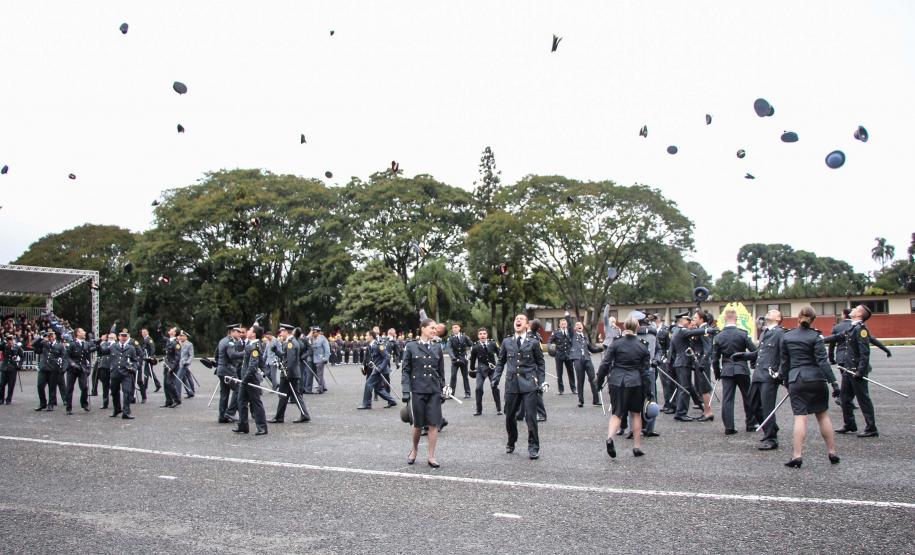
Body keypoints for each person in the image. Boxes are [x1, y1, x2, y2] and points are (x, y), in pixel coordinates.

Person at [778, 306, 840, 468]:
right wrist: (834, 383)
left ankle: (797, 455)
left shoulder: (787, 336)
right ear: (813, 320)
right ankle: (832, 452)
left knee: (800, 418)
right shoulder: (816, 336)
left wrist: (786, 382)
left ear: (798, 318)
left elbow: (784, 363)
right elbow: (822, 362)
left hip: (796, 379)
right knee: (823, 416)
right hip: (817, 379)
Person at [596, 318, 652, 458]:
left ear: (625, 326)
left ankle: (610, 438)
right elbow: (645, 372)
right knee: (636, 414)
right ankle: (637, 447)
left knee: (617, 413)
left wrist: (599, 381)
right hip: (635, 382)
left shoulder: (616, 343)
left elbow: (605, 364)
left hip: (617, 380)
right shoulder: (642, 346)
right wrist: (649, 391)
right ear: (637, 328)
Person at [494, 314, 547, 460]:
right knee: (510, 416)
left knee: (531, 417)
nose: (517, 321)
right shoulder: (506, 342)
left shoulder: (534, 342)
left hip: (529, 384)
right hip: (511, 384)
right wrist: (496, 377)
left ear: (527, 325)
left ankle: (533, 447)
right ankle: (512, 440)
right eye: (516, 319)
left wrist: (541, 380)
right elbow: (500, 362)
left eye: (521, 319)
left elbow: (541, 363)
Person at [734, 310, 785, 450]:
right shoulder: (765, 333)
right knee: (752, 404)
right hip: (758, 374)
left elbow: (784, 355)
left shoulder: (780, 333)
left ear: (778, 318)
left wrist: (780, 373)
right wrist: (744, 356)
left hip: (769, 376)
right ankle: (771, 428)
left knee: (768, 407)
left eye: (772, 312)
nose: (767, 313)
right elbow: (759, 353)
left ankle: (771, 438)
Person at [402, 318, 446, 468]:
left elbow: (441, 372)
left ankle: (431, 456)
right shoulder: (411, 346)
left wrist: (444, 389)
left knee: (434, 424)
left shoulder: (437, 347)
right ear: (423, 328)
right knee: (418, 425)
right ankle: (414, 450)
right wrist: (405, 390)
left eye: (436, 329)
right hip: (418, 389)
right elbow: (406, 370)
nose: (435, 331)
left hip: (434, 390)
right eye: (432, 328)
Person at [831, 305, 879, 437]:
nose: (852, 309)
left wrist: (861, 371)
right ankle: (850, 424)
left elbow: (865, 353)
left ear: (859, 315)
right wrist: (818, 339)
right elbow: (837, 337)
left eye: (856, 308)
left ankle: (871, 427)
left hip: (856, 371)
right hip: (848, 369)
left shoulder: (861, 329)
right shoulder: (852, 327)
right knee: (845, 399)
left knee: (863, 399)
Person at [710, 309, 757, 435]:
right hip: (742, 368)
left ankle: (729, 427)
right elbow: (754, 352)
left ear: (724, 319)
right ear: (736, 319)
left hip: (726, 370)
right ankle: (751, 424)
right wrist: (751, 363)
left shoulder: (718, 336)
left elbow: (714, 359)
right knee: (748, 397)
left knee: (727, 399)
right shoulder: (743, 334)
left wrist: (717, 374)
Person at [680, 311, 718, 421]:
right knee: (701, 387)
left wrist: (703, 361)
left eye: (696, 317)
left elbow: (708, 349)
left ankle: (708, 412)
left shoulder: (704, 330)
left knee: (704, 388)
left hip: (702, 362)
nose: (693, 319)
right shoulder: (699, 329)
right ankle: (706, 411)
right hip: (698, 361)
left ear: (702, 319)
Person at [269, 324, 309, 423]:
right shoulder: (291, 342)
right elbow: (285, 356)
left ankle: (279, 417)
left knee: (284, 395)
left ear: (286, 332)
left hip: (289, 374)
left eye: (282, 331)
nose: (280, 333)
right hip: (292, 373)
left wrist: (286, 372)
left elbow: (290, 360)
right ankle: (304, 415)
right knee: (293, 395)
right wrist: (276, 351)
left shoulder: (290, 343)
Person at [99, 329, 141, 419]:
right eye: (122, 336)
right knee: (114, 392)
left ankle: (126, 412)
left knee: (127, 392)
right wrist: (98, 343)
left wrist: (133, 368)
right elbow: (103, 352)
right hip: (115, 373)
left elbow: (135, 361)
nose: (123, 338)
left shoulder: (131, 348)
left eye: (125, 336)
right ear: (118, 337)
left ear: (127, 337)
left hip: (126, 373)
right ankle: (117, 409)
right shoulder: (113, 346)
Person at [234, 325, 268, 435]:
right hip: (246, 379)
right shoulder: (251, 344)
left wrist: (245, 379)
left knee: (256, 403)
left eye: (250, 330)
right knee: (241, 401)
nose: (248, 331)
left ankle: (262, 427)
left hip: (251, 379)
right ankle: (243, 426)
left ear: (253, 334)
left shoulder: (255, 347)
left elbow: (253, 366)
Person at [358, 330, 398, 409]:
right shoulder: (370, 345)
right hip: (375, 369)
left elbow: (387, 357)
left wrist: (380, 368)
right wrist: (368, 364)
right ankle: (392, 401)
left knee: (368, 384)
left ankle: (367, 404)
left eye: (366, 335)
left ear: (371, 336)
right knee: (379, 389)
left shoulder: (379, 345)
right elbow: (374, 357)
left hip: (380, 370)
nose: (365, 337)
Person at [568, 321, 604, 408]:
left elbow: (591, 349)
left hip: (587, 359)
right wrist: (567, 315)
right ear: (574, 328)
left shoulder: (585, 337)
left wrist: (601, 348)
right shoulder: (573, 335)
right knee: (580, 380)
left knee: (593, 379)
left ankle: (596, 400)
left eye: (580, 324)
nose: (579, 325)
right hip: (578, 359)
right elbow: (569, 325)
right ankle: (581, 400)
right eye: (577, 325)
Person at [469, 327, 502, 416]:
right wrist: (472, 369)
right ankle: (478, 410)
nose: (482, 335)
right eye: (480, 334)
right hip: (481, 370)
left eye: (484, 334)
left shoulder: (493, 344)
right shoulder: (475, 347)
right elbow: (472, 360)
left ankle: (499, 409)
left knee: (494, 387)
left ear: (487, 335)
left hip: (492, 369)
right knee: (478, 388)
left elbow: (500, 356)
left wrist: (499, 368)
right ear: (478, 336)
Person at [216, 324, 245, 423]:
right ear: (232, 332)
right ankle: (230, 412)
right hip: (228, 370)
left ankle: (222, 416)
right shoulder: (230, 342)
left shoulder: (222, 340)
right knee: (239, 389)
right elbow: (232, 355)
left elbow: (216, 354)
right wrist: (246, 353)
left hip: (221, 369)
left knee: (224, 393)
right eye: (238, 332)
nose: (240, 334)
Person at [64, 327, 96, 414]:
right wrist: (72, 363)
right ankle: (68, 408)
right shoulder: (72, 344)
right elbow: (66, 356)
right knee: (69, 388)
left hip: (82, 368)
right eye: (82, 331)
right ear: (77, 333)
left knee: (84, 387)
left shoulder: (86, 344)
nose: (84, 332)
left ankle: (84, 403)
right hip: (72, 369)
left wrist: (88, 368)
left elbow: (89, 354)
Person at [32, 330, 66, 411]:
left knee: (52, 388)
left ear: (55, 336)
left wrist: (63, 369)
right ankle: (42, 403)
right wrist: (42, 337)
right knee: (40, 386)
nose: (50, 336)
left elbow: (64, 358)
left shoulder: (60, 345)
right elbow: (34, 344)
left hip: (53, 369)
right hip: (43, 368)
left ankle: (51, 404)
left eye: (52, 335)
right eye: (49, 335)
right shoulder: (44, 343)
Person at [547, 314, 576, 395]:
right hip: (559, 355)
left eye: (565, 324)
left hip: (569, 356)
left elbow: (573, 342)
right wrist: (550, 347)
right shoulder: (556, 332)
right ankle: (561, 390)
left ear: (567, 324)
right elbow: (549, 341)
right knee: (559, 373)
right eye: (562, 324)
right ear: (559, 325)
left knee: (571, 373)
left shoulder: (570, 332)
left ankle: (573, 389)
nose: (563, 325)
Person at [447, 323, 473, 399]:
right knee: (453, 376)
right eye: (453, 328)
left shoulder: (464, 337)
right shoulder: (450, 338)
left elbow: (472, 345)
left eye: (456, 327)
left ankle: (467, 393)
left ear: (459, 328)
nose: (454, 329)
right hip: (455, 360)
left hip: (464, 360)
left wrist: (470, 355)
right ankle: (451, 394)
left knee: (465, 376)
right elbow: (449, 348)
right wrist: (452, 357)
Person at [137, 328, 161, 403]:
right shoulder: (144, 339)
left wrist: (150, 356)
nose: (143, 333)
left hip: (149, 358)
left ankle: (145, 386)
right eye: (142, 332)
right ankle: (157, 385)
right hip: (146, 357)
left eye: (145, 332)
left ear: (147, 332)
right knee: (150, 372)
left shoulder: (149, 339)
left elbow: (152, 348)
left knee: (146, 372)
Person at [160, 327, 182, 408]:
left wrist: (172, 367)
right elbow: (162, 338)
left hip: (172, 365)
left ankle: (177, 399)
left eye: (173, 329)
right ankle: (168, 401)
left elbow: (177, 357)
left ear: (175, 333)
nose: (170, 329)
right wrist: (160, 330)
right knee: (166, 383)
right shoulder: (170, 340)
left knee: (170, 383)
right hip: (167, 364)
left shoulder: (176, 343)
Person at [305, 327, 330, 394]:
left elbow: (327, 349)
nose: (313, 333)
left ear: (318, 332)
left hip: (320, 359)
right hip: (312, 359)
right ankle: (322, 387)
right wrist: (310, 333)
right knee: (314, 374)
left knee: (319, 375)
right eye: (312, 332)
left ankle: (320, 389)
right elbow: (305, 339)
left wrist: (326, 358)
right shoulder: (312, 338)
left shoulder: (323, 339)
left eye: (314, 332)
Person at [0, 334, 24, 404]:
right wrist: (4, 341)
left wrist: (19, 365)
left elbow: (22, 356)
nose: (10, 341)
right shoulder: (4, 346)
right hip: (4, 367)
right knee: (1, 384)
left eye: (11, 339)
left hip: (13, 368)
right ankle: (1, 399)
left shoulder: (17, 347)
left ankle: (8, 399)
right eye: (9, 339)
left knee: (11, 385)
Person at [95, 333, 114, 409]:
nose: (110, 338)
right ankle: (105, 402)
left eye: (112, 337)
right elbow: (102, 351)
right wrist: (98, 345)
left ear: (116, 338)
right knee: (105, 385)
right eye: (109, 337)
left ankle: (116, 402)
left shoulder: (117, 345)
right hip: (104, 366)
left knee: (115, 385)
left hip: (113, 367)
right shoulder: (104, 344)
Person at [177, 330, 195, 398]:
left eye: (183, 336)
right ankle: (190, 392)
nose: (181, 337)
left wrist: (188, 362)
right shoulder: (178, 343)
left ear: (186, 337)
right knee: (184, 379)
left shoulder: (189, 344)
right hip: (177, 364)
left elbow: (191, 355)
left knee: (178, 379)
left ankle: (177, 395)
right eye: (180, 336)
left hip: (184, 364)